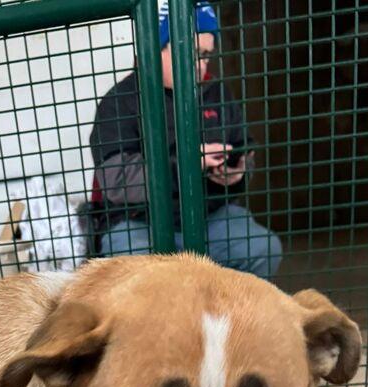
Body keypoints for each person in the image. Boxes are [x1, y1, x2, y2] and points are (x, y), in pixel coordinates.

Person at [89, 1, 282, 279]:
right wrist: (188, 163)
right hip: (139, 222)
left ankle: (224, 320)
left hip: (208, 216)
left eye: (206, 55)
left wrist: (236, 173)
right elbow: (117, 182)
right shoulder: (119, 102)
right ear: (157, 49)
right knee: (140, 274)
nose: (200, 64)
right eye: (191, 53)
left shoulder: (217, 92)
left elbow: (244, 147)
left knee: (262, 248)